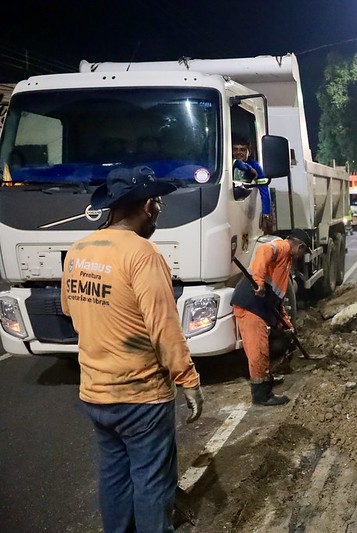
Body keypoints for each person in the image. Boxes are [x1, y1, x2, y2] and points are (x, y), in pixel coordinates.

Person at [61, 165, 203, 532]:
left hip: (95, 393)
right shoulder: (142, 254)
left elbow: (69, 308)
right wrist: (188, 380)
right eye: (157, 203)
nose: (157, 210)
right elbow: (164, 328)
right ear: (146, 205)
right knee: (152, 483)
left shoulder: (79, 249)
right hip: (141, 397)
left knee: (114, 478)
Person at [231, 229, 312, 406]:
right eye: (303, 252)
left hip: (260, 307)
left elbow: (276, 298)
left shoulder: (286, 262)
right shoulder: (281, 247)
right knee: (258, 351)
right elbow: (263, 251)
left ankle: (266, 378)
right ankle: (261, 395)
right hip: (250, 305)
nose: (301, 256)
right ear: (299, 246)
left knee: (267, 345)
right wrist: (258, 282)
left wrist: (287, 324)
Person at [232, 135, 272, 232]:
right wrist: (247, 168)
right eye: (235, 149)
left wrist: (266, 213)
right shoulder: (225, 163)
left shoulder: (256, 166)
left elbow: (264, 189)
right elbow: (236, 163)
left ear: (249, 152)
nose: (238, 152)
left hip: (244, 210)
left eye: (242, 149)